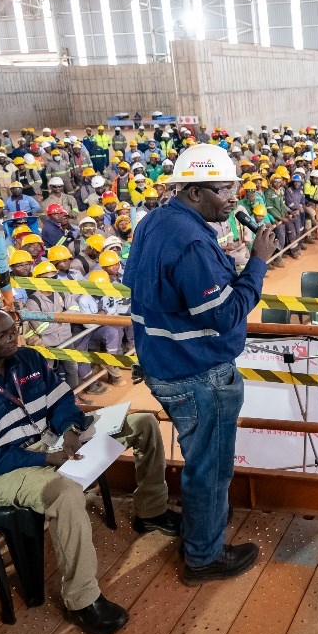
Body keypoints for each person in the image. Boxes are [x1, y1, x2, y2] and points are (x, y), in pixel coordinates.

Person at [0, 307, 179, 634]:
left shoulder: (29, 359)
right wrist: (46, 461)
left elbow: (62, 401)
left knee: (143, 423)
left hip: (52, 442)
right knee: (64, 494)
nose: (13, 339)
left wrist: (67, 431)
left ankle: (151, 510)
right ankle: (82, 600)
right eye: (2, 336)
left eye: (14, 330)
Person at [124, 143, 274, 584]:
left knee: (200, 460)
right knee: (210, 468)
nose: (234, 198)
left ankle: (199, 529)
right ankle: (204, 558)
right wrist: (257, 265)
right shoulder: (190, 242)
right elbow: (223, 313)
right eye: (224, 188)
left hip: (164, 364)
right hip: (197, 375)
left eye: (235, 187)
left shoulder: (155, 222)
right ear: (192, 192)